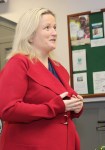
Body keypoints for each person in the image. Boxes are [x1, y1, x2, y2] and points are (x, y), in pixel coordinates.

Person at [0, 8, 83, 150]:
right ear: (30, 35)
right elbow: (8, 109)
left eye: (55, 27)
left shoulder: (59, 68)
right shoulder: (19, 63)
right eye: (47, 28)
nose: (54, 33)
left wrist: (76, 106)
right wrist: (54, 107)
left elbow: (62, 105)